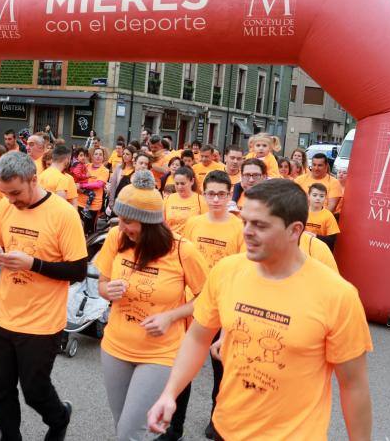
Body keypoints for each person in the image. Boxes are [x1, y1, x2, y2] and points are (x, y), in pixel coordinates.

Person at [147, 180, 373, 441]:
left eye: (260, 225)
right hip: (226, 429)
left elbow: (353, 385)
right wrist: (169, 393)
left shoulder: (338, 295)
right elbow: (198, 338)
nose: (246, 232)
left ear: (294, 230)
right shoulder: (227, 271)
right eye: (245, 222)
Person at [96, 170, 206, 441]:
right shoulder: (115, 238)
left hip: (161, 353)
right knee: (124, 425)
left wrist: (171, 316)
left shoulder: (183, 250)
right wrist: (107, 291)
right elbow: (102, 284)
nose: (121, 226)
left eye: (127, 221)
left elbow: (208, 297)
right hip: (115, 347)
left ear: (149, 222)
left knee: (129, 434)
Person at [0, 152, 88, 441]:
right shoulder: (6, 206)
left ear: (34, 179)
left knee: (34, 391)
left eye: (16, 192)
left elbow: (78, 270)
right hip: (3, 316)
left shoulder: (63, 214)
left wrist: (33, 264)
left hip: (42, 323)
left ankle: (59, 417)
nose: (10, 199)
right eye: (5, 193)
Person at [182, 170, 245, 437]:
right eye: (211, 194)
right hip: (193, 303)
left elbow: (244, 270)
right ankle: (174, 425)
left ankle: (216, 418)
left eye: (221, 194)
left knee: (221, 367)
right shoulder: (193, 223)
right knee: (184, 364)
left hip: (224, 307)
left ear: (229, 195)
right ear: (203, 194)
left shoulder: (239, 227)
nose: (216, 199)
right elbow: (182, 262)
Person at [163, 166, 207, 235]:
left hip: (191, 242)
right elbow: (161, 223)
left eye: (183, 183)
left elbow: (205, 225)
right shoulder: (168, 199)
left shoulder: (201, 200)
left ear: (192, 181)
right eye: (177, 183)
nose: (179, 187)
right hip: (171, 240)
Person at [78, 147, 110, 234]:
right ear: (92, 156)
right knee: (78, 228)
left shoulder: (105, 170)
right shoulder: (86, 166)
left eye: (100, 155)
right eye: (96, 154)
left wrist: (82, 185)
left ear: (103, 157)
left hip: (94, 205)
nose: (98, 156)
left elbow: (99, 184)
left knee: (90, 229)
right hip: (79, 202)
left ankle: (90, 247)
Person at [305, 183, 340, 249]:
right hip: (303, 247)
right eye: (314, 195)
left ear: (325, 198)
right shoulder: (301, 212)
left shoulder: (328, 216)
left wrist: (315, 236)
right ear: (308, 196)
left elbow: (332, 240)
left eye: (321, 196)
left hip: (319, 248)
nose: (318, 198)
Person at [106, 145, 136, 216]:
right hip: (117, 200)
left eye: (127, 154)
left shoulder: (135, 170)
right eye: (124, 154)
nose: (124, 156)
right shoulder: (119, 167)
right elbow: (113, 185)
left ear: (133, 156)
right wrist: (111, 202)